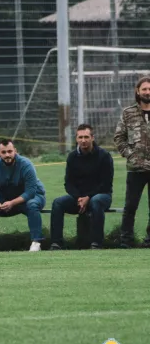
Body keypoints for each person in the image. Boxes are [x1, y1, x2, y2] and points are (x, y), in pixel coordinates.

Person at [50, 125, 113, 250]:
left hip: (101, 195)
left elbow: (106, 183)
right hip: (78, 198)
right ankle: (56, 243)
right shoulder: (72, 157)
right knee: (57, 203)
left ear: (92, 138)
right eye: (80, 137)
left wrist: (88, 197)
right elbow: (68, 183)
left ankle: (96, 243)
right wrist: (79, 197)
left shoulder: (104, 156)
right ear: (76, 139)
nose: (83, 140)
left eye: (86, 137)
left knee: (96, 201)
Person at [0, 139, 46, 253]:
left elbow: (30, 191)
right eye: (4, 152)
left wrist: (12, 203)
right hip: (6, 198)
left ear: (15, 151)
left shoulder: (26, 164)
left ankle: (36, 242)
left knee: (32, 205)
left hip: (32, 196)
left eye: (10, 151)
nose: (7, 155)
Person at [114, 75, 150, 248]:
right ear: (138, 91)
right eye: (144, 89)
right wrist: (131, 155)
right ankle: (126, 241)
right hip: (135, 168)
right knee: (130, 207)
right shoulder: (128, 113)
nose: (147, 92)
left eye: (149, 89)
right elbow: (119, 138)